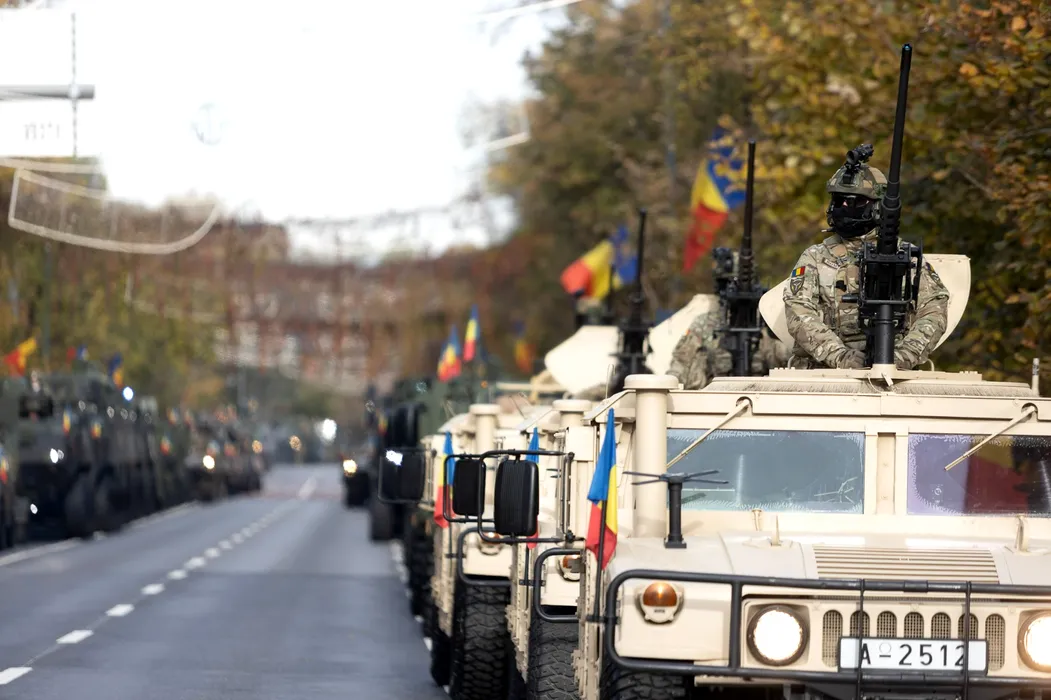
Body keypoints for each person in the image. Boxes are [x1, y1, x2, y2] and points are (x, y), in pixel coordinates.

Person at [783, 159, 949, 370]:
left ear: (877, 206)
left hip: (894, 374)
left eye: (855, 202)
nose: (844, 207)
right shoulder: (815, 257)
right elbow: (798, 310)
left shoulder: (907, 257)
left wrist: (903, 356)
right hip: (827, 373)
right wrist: (840, 356)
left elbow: (934, 309)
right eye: (839, 200)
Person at [669, 248, 789, 389]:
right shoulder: (704, 326)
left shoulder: (768, 325)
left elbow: (790, 366)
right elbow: (678, 373)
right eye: (729, 284)